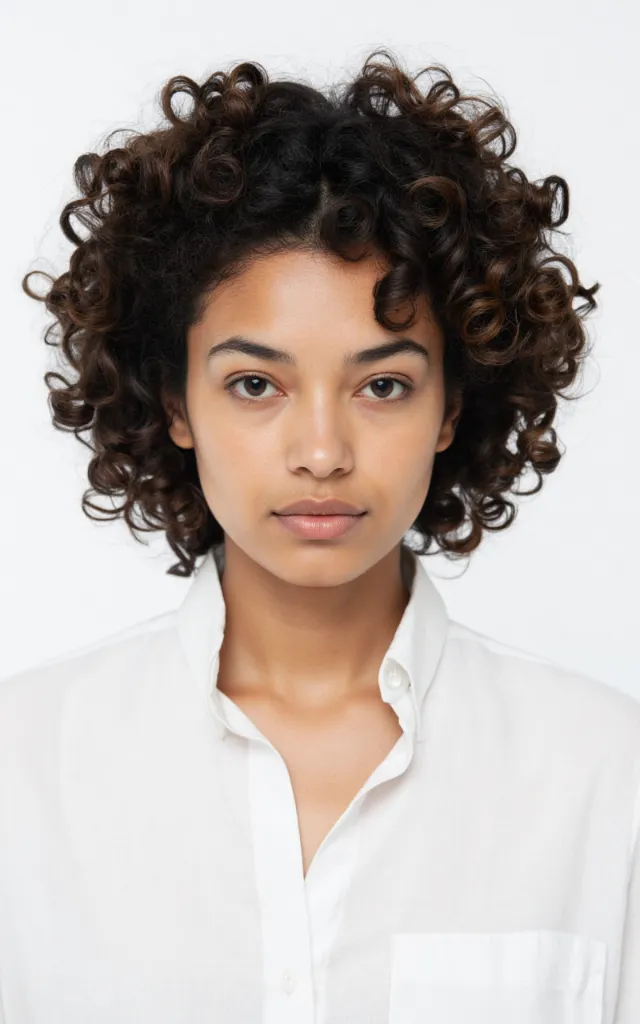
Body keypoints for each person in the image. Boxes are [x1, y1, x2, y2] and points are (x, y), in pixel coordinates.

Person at [1, 47, 637, 1024]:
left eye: (381, 384)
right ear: (175, 400)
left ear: (449, 407)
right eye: (255, 384)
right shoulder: (24, 771)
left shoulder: (604, 778)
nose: (322, 450)